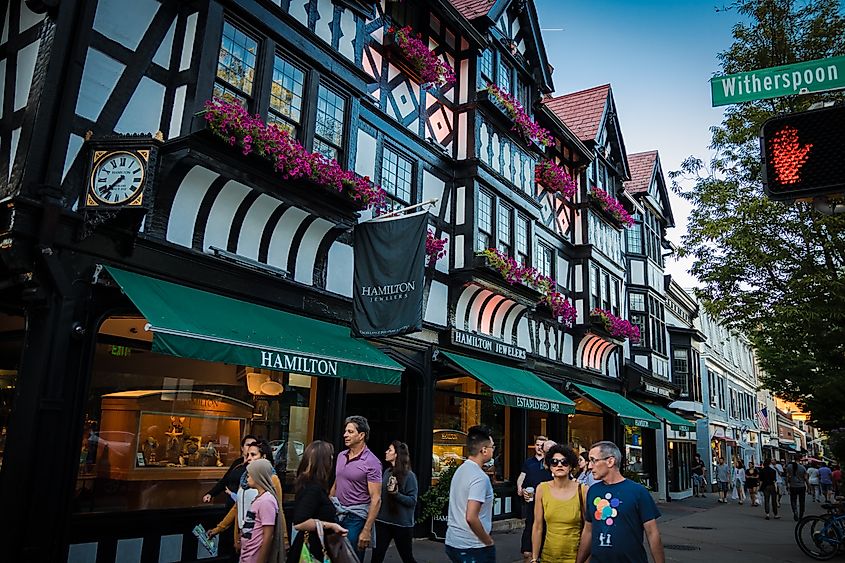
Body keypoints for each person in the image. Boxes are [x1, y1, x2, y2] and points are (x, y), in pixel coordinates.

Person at [575, 441, 664, 563]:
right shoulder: (593, 491)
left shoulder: (638, 492)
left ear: (610, 461)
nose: (590, 466)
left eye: (593, 460)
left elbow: (652, 533)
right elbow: (588, 530)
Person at [208, 440, 288, 554]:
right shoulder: (245, 478)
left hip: (259, 538)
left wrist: (284, 540)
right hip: (242, 536)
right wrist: (219, 528)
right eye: (247, 455)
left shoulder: (271, 478)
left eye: (253, 455)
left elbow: (279, 510)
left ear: (263, 457)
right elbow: (238, 506)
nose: (249, 458)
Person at [331, 415, 382, 562]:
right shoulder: (341, 456)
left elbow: (376, 498)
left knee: (350, 558)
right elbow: (336, 483)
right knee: (333, 555)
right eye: (345, 431)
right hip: (337, 512)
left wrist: (366, 530)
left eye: (350, 432)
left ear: (361, 435)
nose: (345, 435)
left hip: (356, 517)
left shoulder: (372, 462)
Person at [289, 441, 348, 560]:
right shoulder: (313, 488)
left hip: (313, 546)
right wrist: (331, 525)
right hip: (312, 550)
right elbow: (300, 523)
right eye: (330, 457)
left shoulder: (311, 484)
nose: (332, 461)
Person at [445, 425, 496, 563]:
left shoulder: (460, 470)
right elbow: (471, 517)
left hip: (453, 541)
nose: (493, 450)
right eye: (492, 447)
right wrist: (488, 541)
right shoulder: (480, 477)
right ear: (484, 450)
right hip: (473, 546)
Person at [530, 444, 584, 563]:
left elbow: (589, 529)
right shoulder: (542, 489)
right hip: (548, 557)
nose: (559, 465)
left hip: (575, 557)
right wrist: (534, 558)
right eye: (554, 462)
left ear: (571, 466)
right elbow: (538, 526)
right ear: (550, 466)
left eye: (564, 462)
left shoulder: (583, 490)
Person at [371, 441, 418, 563]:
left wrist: (396, 495)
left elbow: (412, 501)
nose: (386, 452)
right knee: (376, 556)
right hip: (383, 521)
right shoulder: (387, 472)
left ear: (397, 454)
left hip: (401, 524)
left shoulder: (409, 476)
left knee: (407, 557)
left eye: (390, 450)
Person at [238, 459, 284, 563]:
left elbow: (268, 535)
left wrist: (261, 560)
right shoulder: (259, 498)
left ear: (257, 476)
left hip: (255, 557)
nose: (247, 478)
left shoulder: (267, 500)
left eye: (249, 475)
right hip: (247, 555)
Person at [517, 436, 552, 562]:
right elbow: (522, 476)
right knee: (530, 529)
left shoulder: (551, 464)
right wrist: (520, 488)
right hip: (532, 503)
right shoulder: (529, 462)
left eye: (542, 446)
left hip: (548, 505)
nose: (540, 447)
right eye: (537, 445)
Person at [204, 435, 258, 507]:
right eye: (248, 445)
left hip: (244, 505)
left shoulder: (256, 466)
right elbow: (225, 480)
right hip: (230, 503)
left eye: (253, 445)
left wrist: (233, 494)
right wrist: (211, 493)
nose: (250, 447)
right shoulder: (238, 462)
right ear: (242, 448)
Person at [786, 456, 809, 521]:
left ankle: (795, 512)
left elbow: (787, 476)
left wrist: (787, 485)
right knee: (802, 501)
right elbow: (806, 478)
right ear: (800, 459)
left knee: (793, 500)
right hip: (801, 486)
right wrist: (809, 486)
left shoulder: (789, 467)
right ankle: (801, 515)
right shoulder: (803, 468)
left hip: (793, 486)